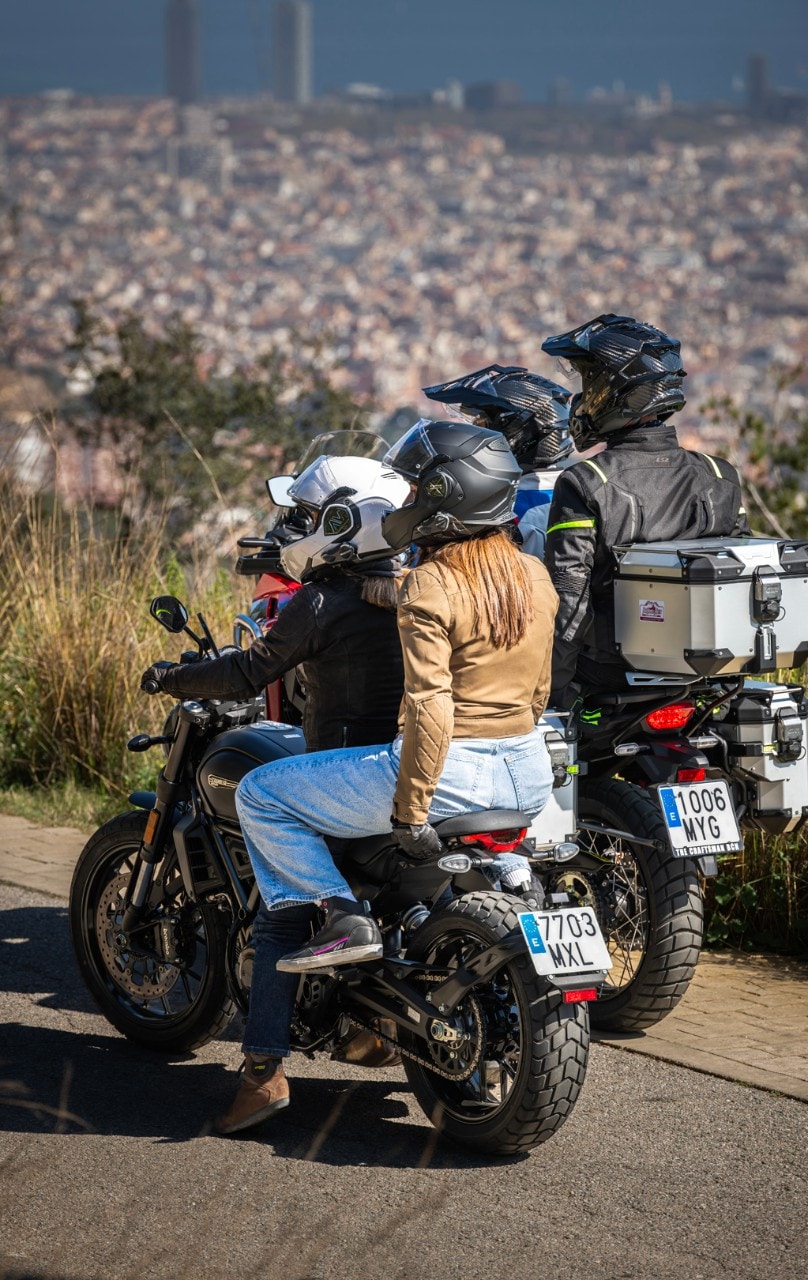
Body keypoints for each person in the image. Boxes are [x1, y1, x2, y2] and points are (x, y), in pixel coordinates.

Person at [227, 418, 559, 1114]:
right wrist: (386, 591)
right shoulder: (530, 574)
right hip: (527, 771)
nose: (403, 502)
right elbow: (537, 692)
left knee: (261, 794)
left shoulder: (431, 581)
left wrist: (410, 811)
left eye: (413, 490)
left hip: (449, 771)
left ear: (440, 499)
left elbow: (432, 711)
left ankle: (340, 912)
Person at [141, 454, 410, 1134]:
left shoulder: (322, 601)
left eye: (307, 516)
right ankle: (368, 1028)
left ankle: (262, 1073)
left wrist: (173, 677)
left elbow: (248, 672)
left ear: (343, 523)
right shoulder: (416, 590)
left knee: (279, 908)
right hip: (414, 773)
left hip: (343, 776)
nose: (295, 527)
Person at [541, 313, 750, 706]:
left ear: (617, 392)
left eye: (590, 385)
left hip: (610, 675)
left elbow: (568, 601)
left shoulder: (584, 482)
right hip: (707, 676)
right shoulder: (720, 474)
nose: (583, 399)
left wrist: (551, 692)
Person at [422, 364, 576, 559]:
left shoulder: (511, 510)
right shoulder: (572, 492)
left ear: (517, 433)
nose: (476, 436)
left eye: (483, 425)